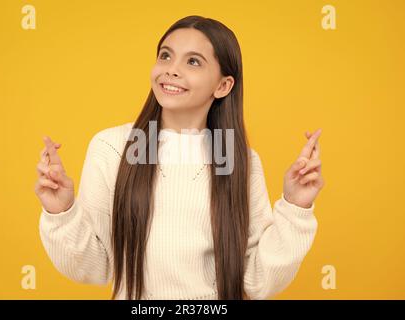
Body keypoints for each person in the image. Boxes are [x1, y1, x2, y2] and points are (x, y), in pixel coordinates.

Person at [34, 15, 324, 300]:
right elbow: (95, 268)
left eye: (193, 61)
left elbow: (257, 281)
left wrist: (295, 207)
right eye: (165, 56)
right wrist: (62, 213)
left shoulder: (236, 158)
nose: (171, 70)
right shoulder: (114, 147)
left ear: (223, 86)